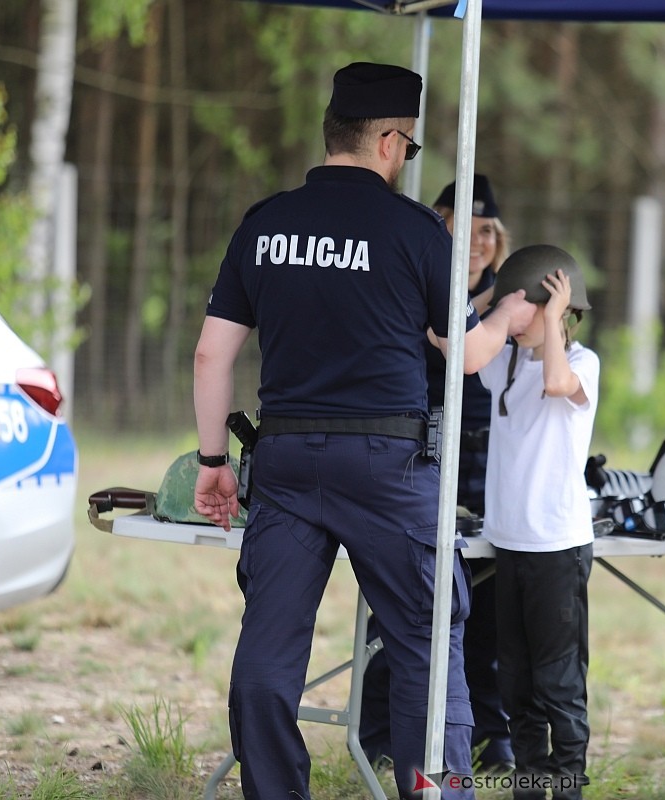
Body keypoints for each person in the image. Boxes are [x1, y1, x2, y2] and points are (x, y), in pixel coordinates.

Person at [191, 61, 536, 800]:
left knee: (268, 651)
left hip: (285, 461)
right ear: (388, 141)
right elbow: (465, 355)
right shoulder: (415, 230)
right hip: (388, 466)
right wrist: (508, 314)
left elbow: (210, 355)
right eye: (408, 147)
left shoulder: (264, 223)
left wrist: (213, 458)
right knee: (425, 643)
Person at [360, 174, 516, 773]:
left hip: (490, 459)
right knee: (403, 594)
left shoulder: (515, 299)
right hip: (421, 452)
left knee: (489, 605)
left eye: (487, 230)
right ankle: (378, 732)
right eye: (463, 226)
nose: (476, 241)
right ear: (439, 226)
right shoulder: (416, 282)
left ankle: (491, 735)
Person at [479, 244, 599, 800]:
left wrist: (551, 319)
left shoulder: (581, 363)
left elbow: (556, 384)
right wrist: (494, 299)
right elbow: (447, 339)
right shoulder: (504, 362)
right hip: (510, 543)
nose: (514, 320)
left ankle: (568, 787)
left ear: (557, 309)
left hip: (557, 547)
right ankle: (529, 786)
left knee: (559, 683)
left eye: (524, 307)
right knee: (517, 683)